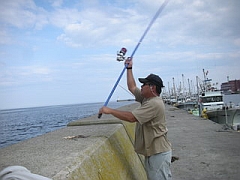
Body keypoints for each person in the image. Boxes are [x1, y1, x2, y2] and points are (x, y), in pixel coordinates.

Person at [99, 58, 172, 180]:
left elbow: (132, 117)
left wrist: (110, 111)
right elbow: (132, 87)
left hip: (158, 152)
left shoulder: (154, 103)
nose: (141, 86)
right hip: (154, 151)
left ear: (152, 87)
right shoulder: (147, 99)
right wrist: (129, 68)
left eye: (144, 84)